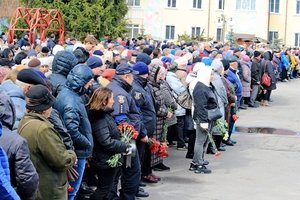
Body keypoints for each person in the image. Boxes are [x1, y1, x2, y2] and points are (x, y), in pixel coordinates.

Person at [18, 85, 77, 200]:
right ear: (45, 108)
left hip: (36, 186)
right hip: (49, 190)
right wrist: (72, 155)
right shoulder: (43, 129)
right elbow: (61, 160)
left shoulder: (25, 122)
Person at [107, 63, 149, 199]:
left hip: (122, 136)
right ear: (126, 76)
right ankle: (127, 196)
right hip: (126, 138)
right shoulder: (120, 93)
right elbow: (122, 119)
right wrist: (141, 134)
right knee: (131, 169)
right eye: (132, 76)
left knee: (119, 169)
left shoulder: (116, 87)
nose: (133, 79)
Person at [87, 87, 129, 200]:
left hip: (106, 158)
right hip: (104, 160)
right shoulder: (99, 118)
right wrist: (124, 146)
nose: (114, 101)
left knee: (105, 188)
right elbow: (106, 141)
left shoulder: (105, 115)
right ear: (104, 101)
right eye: (111, 98)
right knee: (104, 189)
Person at [131, 62, 157, 183]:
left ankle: (143, 175)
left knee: (144, 154)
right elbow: (136, 113)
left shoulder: (143, 85)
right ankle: (138, 179)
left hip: (147, 125)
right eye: (145, 74)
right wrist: (142, 131)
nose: (147, 76)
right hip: (142, 127)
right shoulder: (136, 88)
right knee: (138, 156)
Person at [189, 64, 217, 174]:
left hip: (206, 117)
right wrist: (204, 121)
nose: (212, 76)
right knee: (200, 141)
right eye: (211, 74)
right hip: (203, 118)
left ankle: (195, 162)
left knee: (202, 141)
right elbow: (200, 106)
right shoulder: (200, 88)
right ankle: (198, 164)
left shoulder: (204, 85)